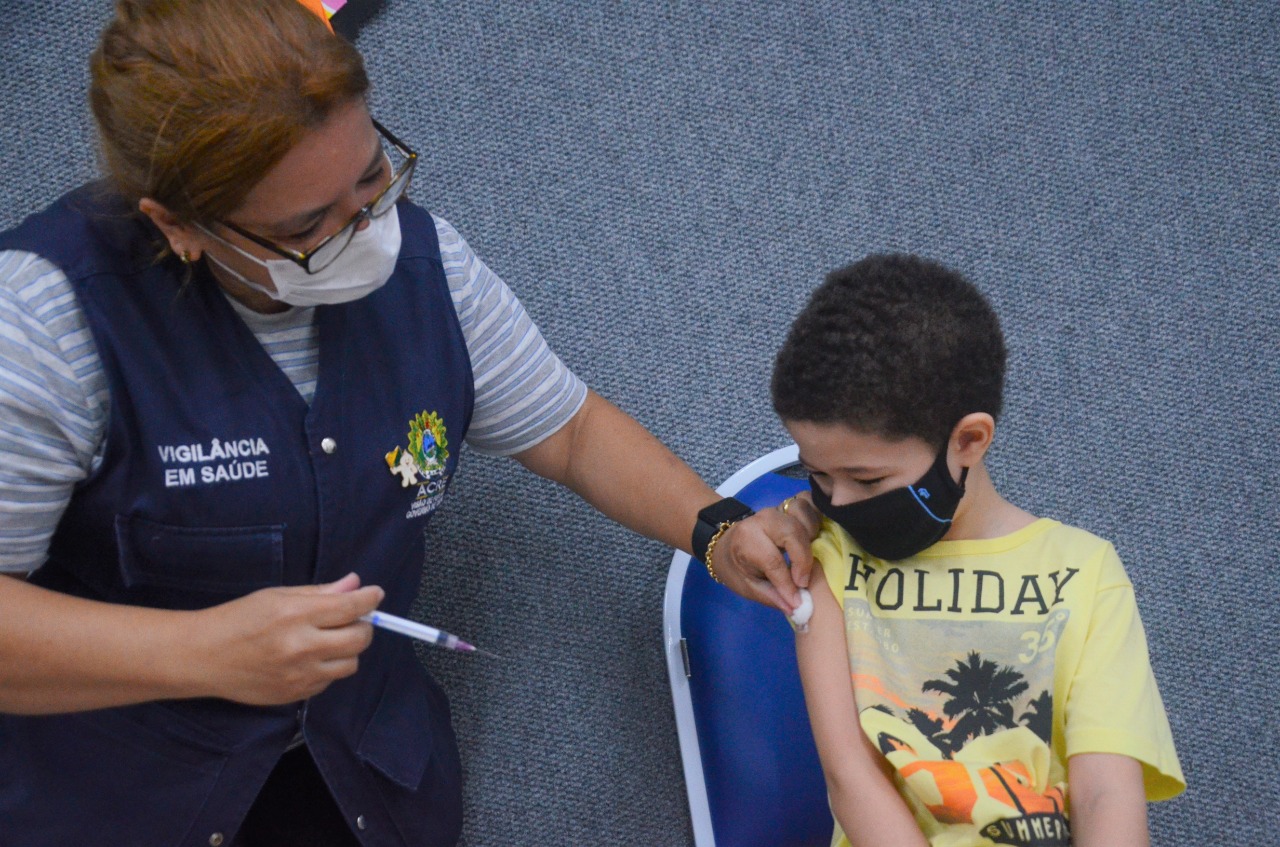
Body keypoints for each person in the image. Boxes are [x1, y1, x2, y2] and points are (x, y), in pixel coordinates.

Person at [0, 2, 819, 845]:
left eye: (372, 179)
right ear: (178, 227)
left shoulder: (430, 270)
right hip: (122, 782)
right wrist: (202, 650)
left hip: (360, 767)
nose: (365, 234)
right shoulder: (44, 324)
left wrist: (716, 531)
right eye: (306, 229)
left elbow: (570, 432)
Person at [770, 255, 1185, 847]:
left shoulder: (1085, 574)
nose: (837, 502)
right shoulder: (825, 561)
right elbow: (850, 776)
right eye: (816, 475)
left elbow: (1107, 792)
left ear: (968, 441)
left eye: (865, 482)